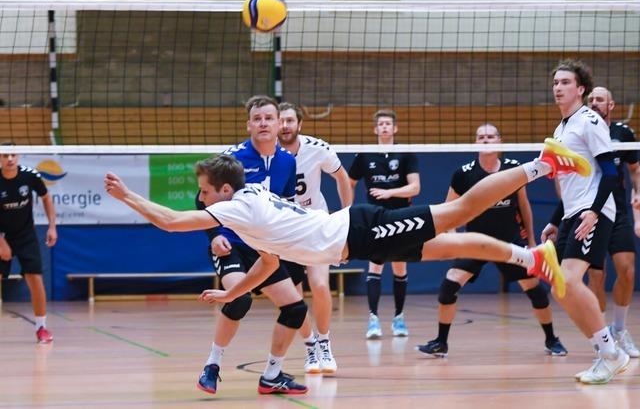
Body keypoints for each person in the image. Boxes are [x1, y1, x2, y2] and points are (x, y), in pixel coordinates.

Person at [105, 138, 590, 392]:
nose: (202, 199)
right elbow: (269, 263)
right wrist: (231, 294)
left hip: (357, 230)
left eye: (206, 193)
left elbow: (170, 222)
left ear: (224, 193)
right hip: (355, 240)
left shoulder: (236, 207)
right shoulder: (252, 205)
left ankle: (543, 164)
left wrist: (128, 196)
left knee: (457, 214)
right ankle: (533, 259)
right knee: (446, 245)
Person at [417, 124, 567, 357]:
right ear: (475, 142)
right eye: (481, 137)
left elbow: (524, 205)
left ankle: (551, 339)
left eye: (491, 136)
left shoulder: (512, 170)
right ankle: (440, 342)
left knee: (536, 292)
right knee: (448, 287)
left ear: (500, 141)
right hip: (475, 242)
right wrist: (452, 234)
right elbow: (447, 208)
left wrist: (530, 239)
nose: (486, 140)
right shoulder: (463, 173)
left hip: (509, 241)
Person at [194, 95, 307, 395]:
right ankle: (212, 365)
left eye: (269, 118)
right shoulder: (232, 159)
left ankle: (272, 374)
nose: (263, 124)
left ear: (279, 123)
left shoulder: (288, 161)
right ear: (248, 125)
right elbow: (201, 198)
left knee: (295, 308)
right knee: (239, 298)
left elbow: (285, 206)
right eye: (257, 119)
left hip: (265, 250)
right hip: (231, 244)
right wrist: (214, 234)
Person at [540, 60, 630, 384]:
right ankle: (606, 352)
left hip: (593, 212)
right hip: (570, 213)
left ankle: (611, 354)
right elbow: (568, 184)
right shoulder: (560, 129)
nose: (558, 87)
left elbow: (610, 172)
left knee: (570, 280)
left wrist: (592, 212)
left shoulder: (590, 120)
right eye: (555, 82)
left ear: (580, 89)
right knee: (560, 290)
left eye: (565, 82)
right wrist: (555, 220)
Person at [278, 102, 352, 374]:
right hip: (283, 230)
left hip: (316, 224)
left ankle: (324, 343)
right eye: (280, 121)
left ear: (299, 124)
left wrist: (346, 217)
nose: (284, 126)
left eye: (289, 120)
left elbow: (342, 178)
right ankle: (309, 346)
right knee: (294, 298)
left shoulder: (317, 148)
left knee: (320, 285)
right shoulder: (267, 153)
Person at [348, 109, 420, 339]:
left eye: (389, 124)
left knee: (400, 267)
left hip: (401, 218)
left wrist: (389, 193)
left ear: (395, 128)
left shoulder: (406, 154)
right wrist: (347, 209)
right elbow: (348, 182)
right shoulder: (365, 155)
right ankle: (373, 320)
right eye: (381, 124)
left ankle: (399, 319)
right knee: (375, 265)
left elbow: (415, 188)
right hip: (375, 218)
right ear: (375, 129)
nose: (385, 127)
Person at [585, 86, 640, 358]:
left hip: (617, 211)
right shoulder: (580, 129)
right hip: (590, 211)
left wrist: (638, 200)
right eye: (591, 99)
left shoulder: (622, 133)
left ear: (611, 105)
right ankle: (602, 337)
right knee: (596, 276)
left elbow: (635, 171)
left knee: (627, 270)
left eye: (599, 100)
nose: (594, 103)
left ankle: (619, 329)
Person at [0, 142, 57, 343]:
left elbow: (46, 197)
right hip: (2, 234)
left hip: (25, 235)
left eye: (12, 155)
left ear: (19, 156)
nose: (9, 159)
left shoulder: (30, 176)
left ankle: (41, 328)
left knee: (35, 279)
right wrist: (1, 241)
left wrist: (52, 226)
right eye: (5, 155)